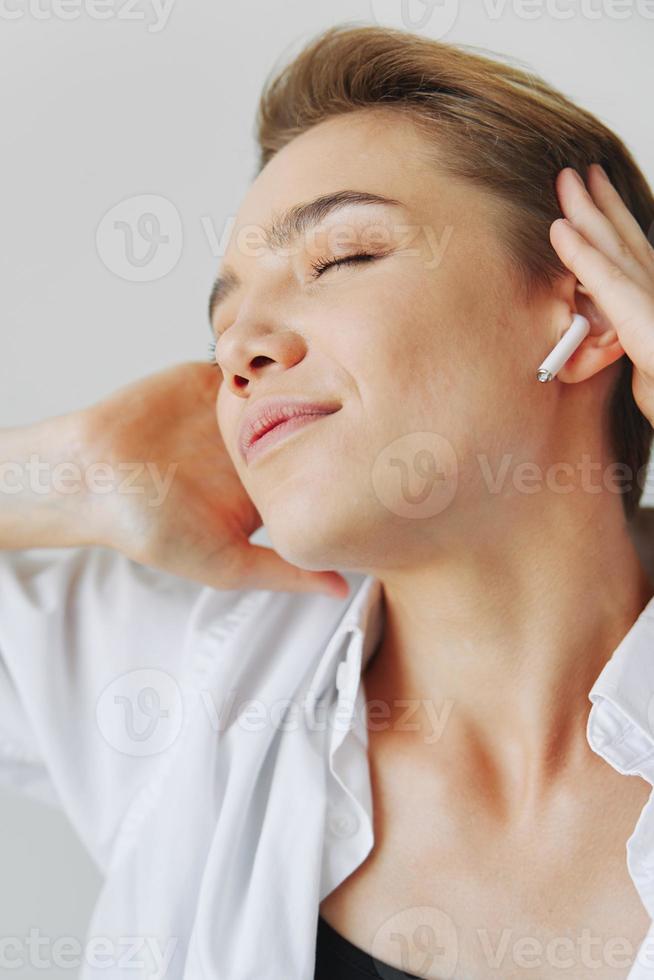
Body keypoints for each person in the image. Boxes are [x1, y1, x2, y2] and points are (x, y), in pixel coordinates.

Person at [2, 21, 654, 980]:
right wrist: (63, 469)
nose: (240, 348)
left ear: (587, 313)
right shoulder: (187, 690)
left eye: (340, 258)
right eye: (223, 320)